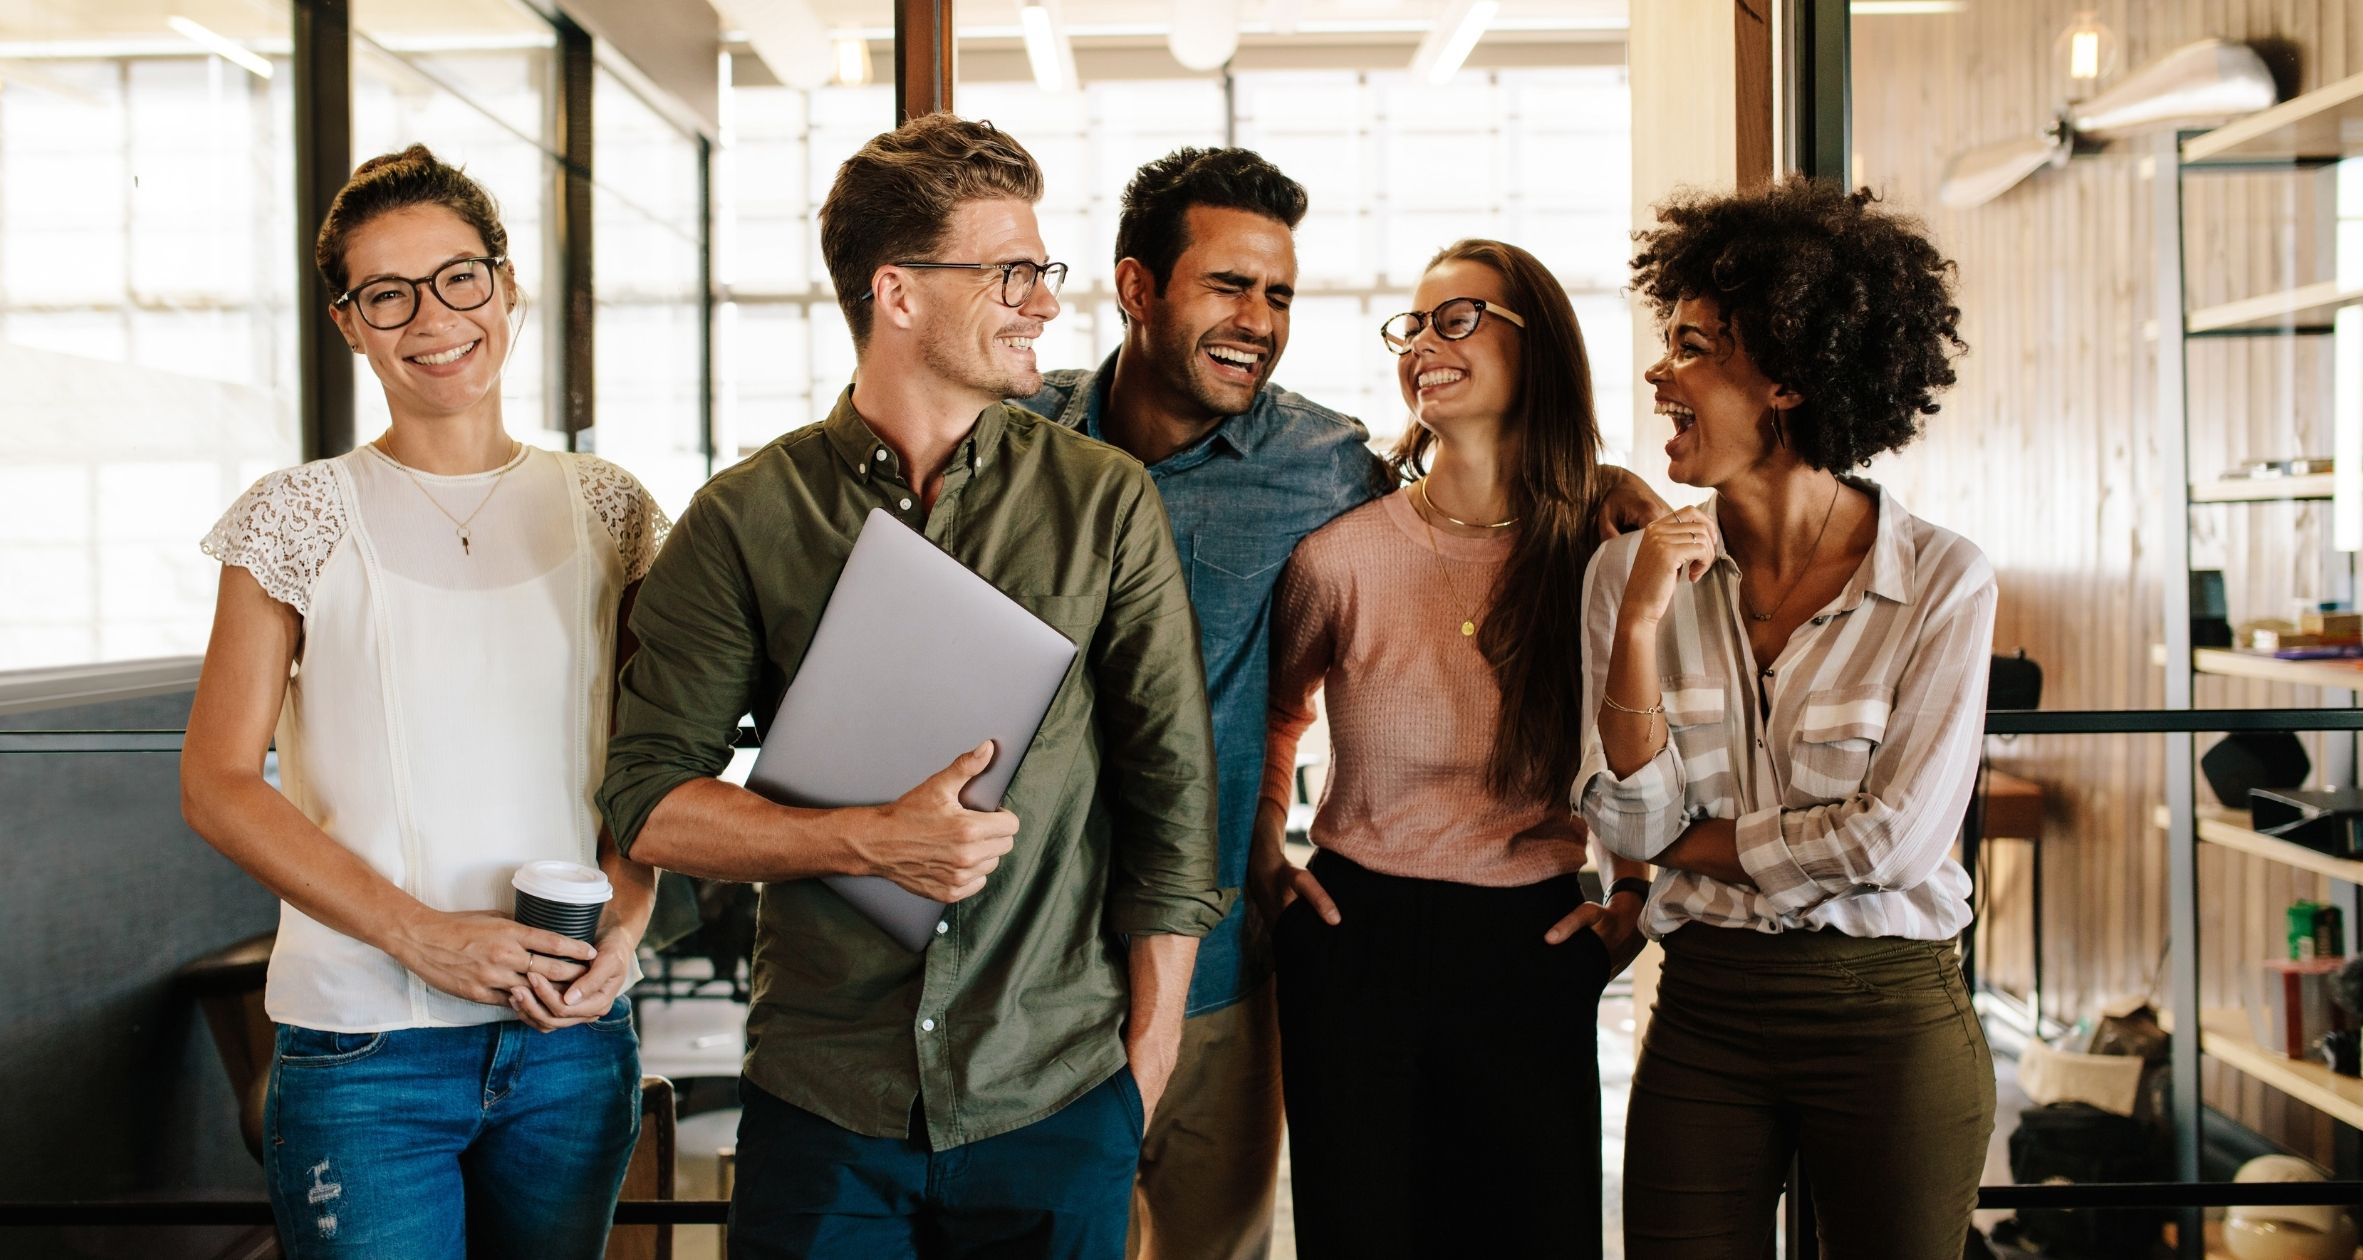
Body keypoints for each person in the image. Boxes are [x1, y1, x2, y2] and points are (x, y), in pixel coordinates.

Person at [596, 113, 1227, 1260]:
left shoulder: (1103, 502)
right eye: (1012, 272)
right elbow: (646, 798)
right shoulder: (747, 519)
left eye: (1044, 269)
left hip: (1056, 1091)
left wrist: (1146, 1060)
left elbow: (1174, 798)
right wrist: (868, 840)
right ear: (898, 293)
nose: (1044, 300)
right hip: (826, 1097)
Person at [1014, 152, 1666, 1260]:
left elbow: (1496, 519)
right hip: (1033, 955)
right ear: (1135, 288)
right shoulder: (1015, 442)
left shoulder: (1325, 472)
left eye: (1279, 295)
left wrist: (1644, 889)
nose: (1258, 322)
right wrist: (1277, 844)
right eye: (1228, 286)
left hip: (1254, 951)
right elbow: (1288, 699)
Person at [181, 145, 664, 1259]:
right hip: (363, 1050)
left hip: (569, 1042)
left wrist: (626, 929)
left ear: (505, 288)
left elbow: (652, 763)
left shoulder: (612, 508)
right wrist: (422, 938)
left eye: (459, 277)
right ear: (351, 323)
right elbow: (214, 785)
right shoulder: (293, 514)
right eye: (386, 294)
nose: (432, 317)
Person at [1582, 177, 1996, 1258]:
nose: (1657, 371)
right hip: (1704, 1010)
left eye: (1692, 345)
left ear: (1789, 378)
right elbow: (1624, 828)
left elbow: (1896, 840)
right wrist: (1636, 628)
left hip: (1892, 1013)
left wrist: (1689, 840)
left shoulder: (1943, 580)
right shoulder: (1629, 573)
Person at [1250, 239, 1653, 1259]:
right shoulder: (1343, 554)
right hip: (1357, 937)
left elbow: (1656, 735)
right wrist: (1266, 859)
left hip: (1531, 944)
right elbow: (1273, 714)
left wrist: (1637, 892)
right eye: (1414, 326)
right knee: (1360, 1237)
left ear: (1539, 346)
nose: (1426, 343)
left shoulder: (1600, 548)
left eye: (1458, 317)